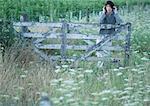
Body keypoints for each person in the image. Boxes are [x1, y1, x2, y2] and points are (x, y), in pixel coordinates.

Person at [96, 0, 123, 67]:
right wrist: (103, 13)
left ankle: (104, 66)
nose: (108, 8)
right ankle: (100, 66)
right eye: (107, 6)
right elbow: (99, 22)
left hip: (109, 36)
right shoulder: (102, 14)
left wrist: (116, 13)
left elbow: (120, 22)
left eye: (109, 7)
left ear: (112, 8)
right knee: (98, 50)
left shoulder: (115, 15)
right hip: (101, 35)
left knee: (107, 52)